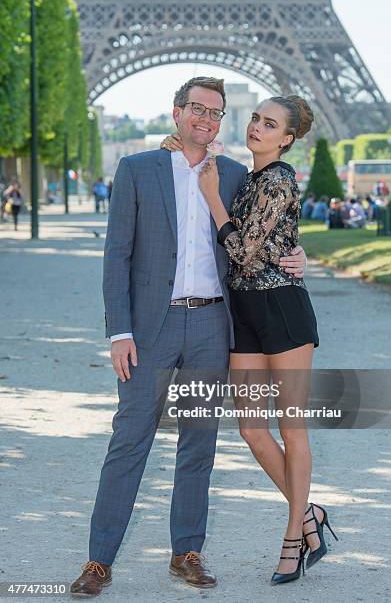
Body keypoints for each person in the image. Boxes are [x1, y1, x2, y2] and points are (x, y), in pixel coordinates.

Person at [69, 77, 307, 597]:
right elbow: (118, 257)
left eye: (215, 112)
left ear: (221, 122)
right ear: (176, 113)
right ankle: (98, 560)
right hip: (150, 329)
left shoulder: (236, 175)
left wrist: (299, 253)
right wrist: (120, 332)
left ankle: (187, 552)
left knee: (198, 444)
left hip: (211, 325)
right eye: (196, 109)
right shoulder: (137, 170)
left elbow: (272, 226)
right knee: (130, 438)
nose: (205, 118)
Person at [161, 94, 338, 585]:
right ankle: (311, 517)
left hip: (282, 315)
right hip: (245, 316)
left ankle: (292, 538)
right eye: (256, 118)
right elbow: (181, 145)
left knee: (291, 430)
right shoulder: (244, 174)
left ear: (287, 139)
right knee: (252, 430)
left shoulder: (278, 180)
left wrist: (214, 199)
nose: (257, 127)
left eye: (270, 124)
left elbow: (240, 249)